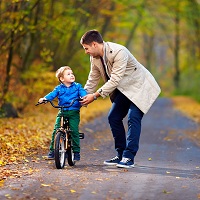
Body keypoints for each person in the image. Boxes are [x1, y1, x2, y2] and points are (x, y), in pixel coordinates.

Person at [80, 30, 161, 168]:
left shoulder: (119, 52)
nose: (86, 52)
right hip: (125, 89)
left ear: (94, 44)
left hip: (140, 87)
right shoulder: (94, 57)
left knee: (133, 117)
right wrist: (82, 97)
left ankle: (129, 157)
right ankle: (120, 154)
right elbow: (93, 78)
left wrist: (94, 96)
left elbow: (115, 80)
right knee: (113, 117)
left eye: (86, 48)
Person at [38, 66, 87, 160]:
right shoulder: (59, 88)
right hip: (62, 111)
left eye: (72, 73)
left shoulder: (77, 86)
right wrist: (45, 99)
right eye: (68, 74)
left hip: (73, 112)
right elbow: (52, 94)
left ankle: (76, 152)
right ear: (62, 78)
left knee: (74, 130)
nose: (72, 75)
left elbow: (82, 92)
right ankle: (52, 150)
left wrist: (84, 97)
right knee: (56, 130)